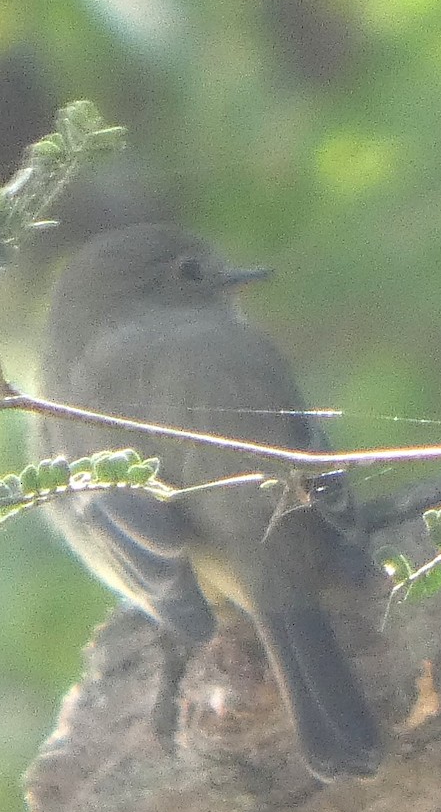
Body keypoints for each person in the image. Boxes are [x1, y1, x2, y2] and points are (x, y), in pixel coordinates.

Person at [39, 223, 381, 781]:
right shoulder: (244, 351)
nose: (228, 282)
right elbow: (307, 444)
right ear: (141, 292)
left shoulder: (62, 397)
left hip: (187, 564)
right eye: (194, 275)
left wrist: (174, 594)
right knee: (283, 591)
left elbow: (120, 517)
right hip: (303, 528)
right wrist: (340, 530)